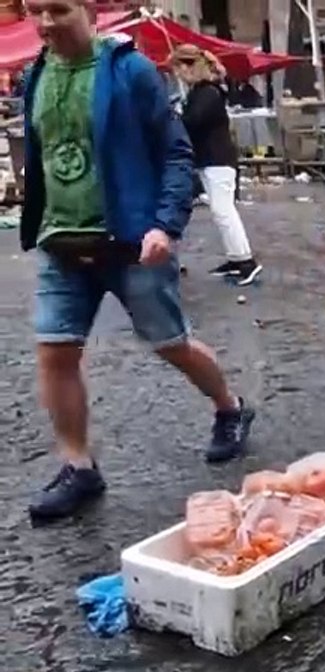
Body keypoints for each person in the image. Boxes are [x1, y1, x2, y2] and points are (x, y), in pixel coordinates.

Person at [20, 0, 255, 521]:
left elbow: (176, 153)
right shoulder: (34, 74)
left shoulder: (131, 71)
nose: (44, 23)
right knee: (54, 352)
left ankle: (231, 408)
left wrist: (164, 224)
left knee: (170, 343)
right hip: (62, 243)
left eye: (57, 10)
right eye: (35, 11)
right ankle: (79, 467)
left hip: (128, 242)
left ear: (89, 10)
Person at [171, 44, 261, 284]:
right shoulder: (202, 92)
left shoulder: (207, 93)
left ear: (189, 67)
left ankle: (246, 261)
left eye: (178, 69)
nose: (176, 75)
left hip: (217, 160)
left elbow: (192, 122)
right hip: (210, 159)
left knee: (224, 211)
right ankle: (236, 258)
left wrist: (178, 114)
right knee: (221, 211)